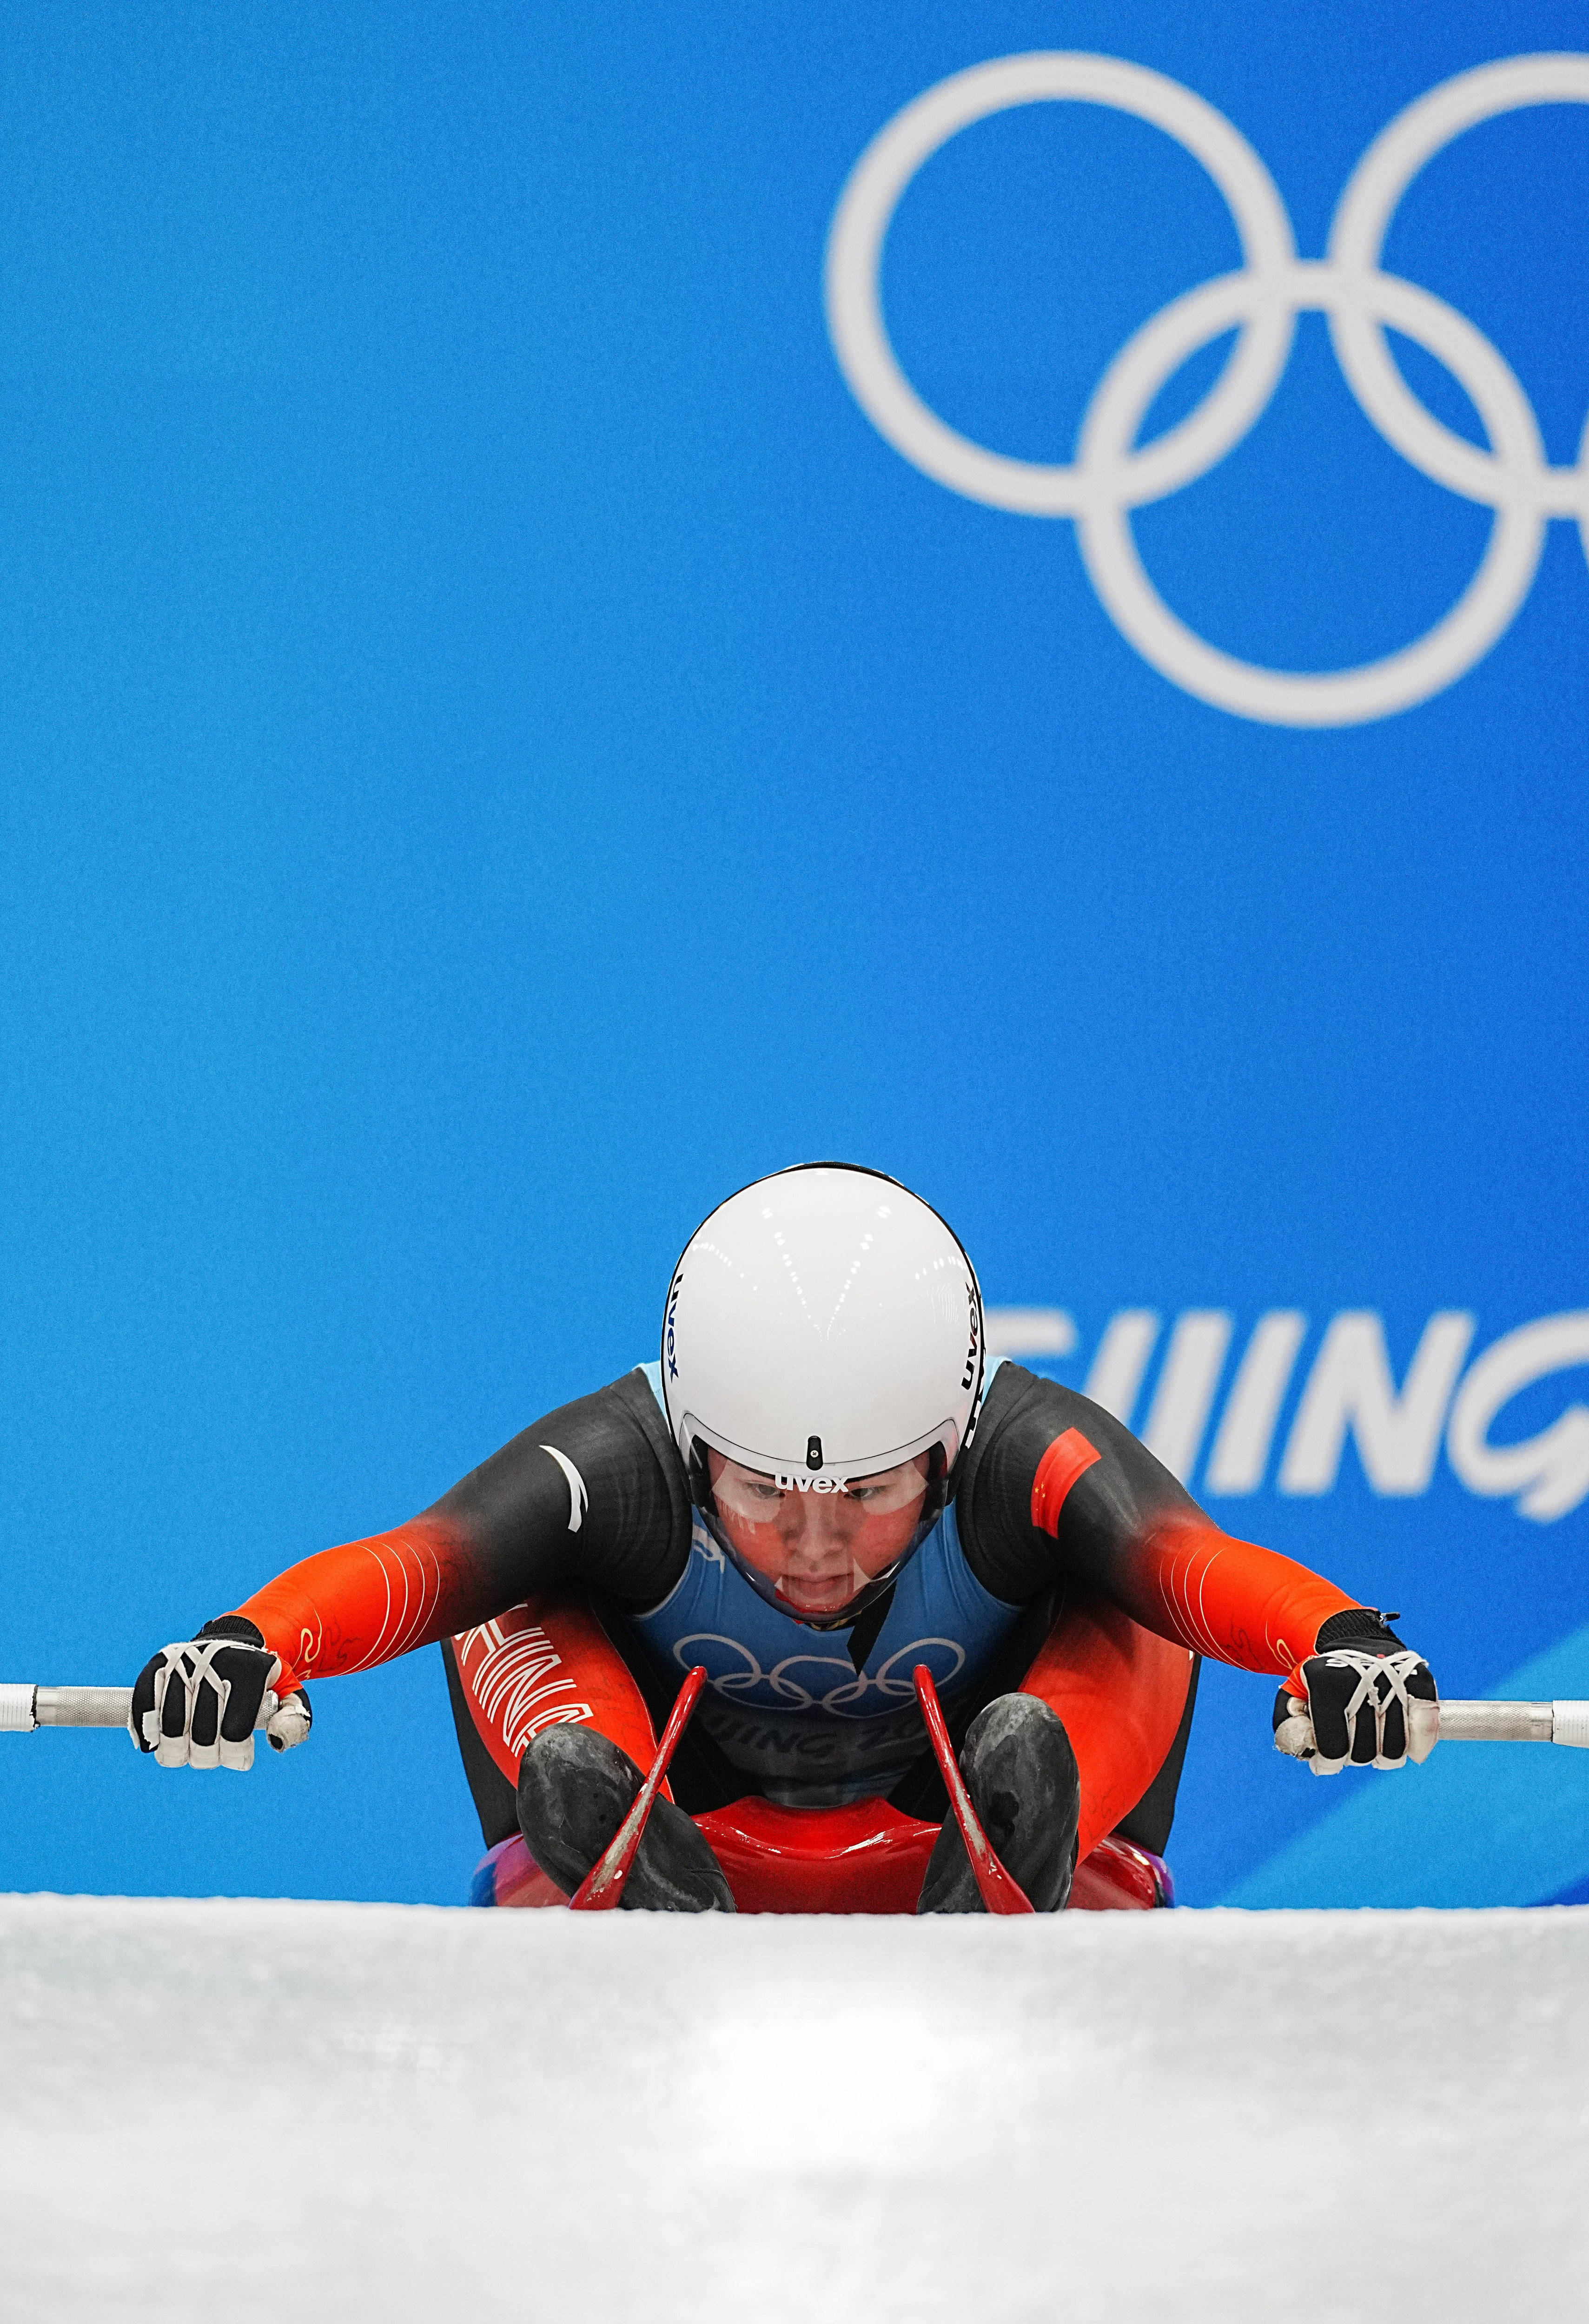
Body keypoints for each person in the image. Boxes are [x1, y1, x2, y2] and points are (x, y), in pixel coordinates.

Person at [131, 1163, 1440, 1912]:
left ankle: (1033, 1845)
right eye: (760, 1494)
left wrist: (1342, 1646)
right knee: (503, 1590)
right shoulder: (614, 1462)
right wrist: (249, 1646)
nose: (814, 1548)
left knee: (1126, 1590)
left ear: (947, 1446)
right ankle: (615, 1836)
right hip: (689, 1829)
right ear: (695, 1447)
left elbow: (1187, 1562)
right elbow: (418, 1564)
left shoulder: (1027, 1448)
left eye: (868, 1494)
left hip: (953, 1840)